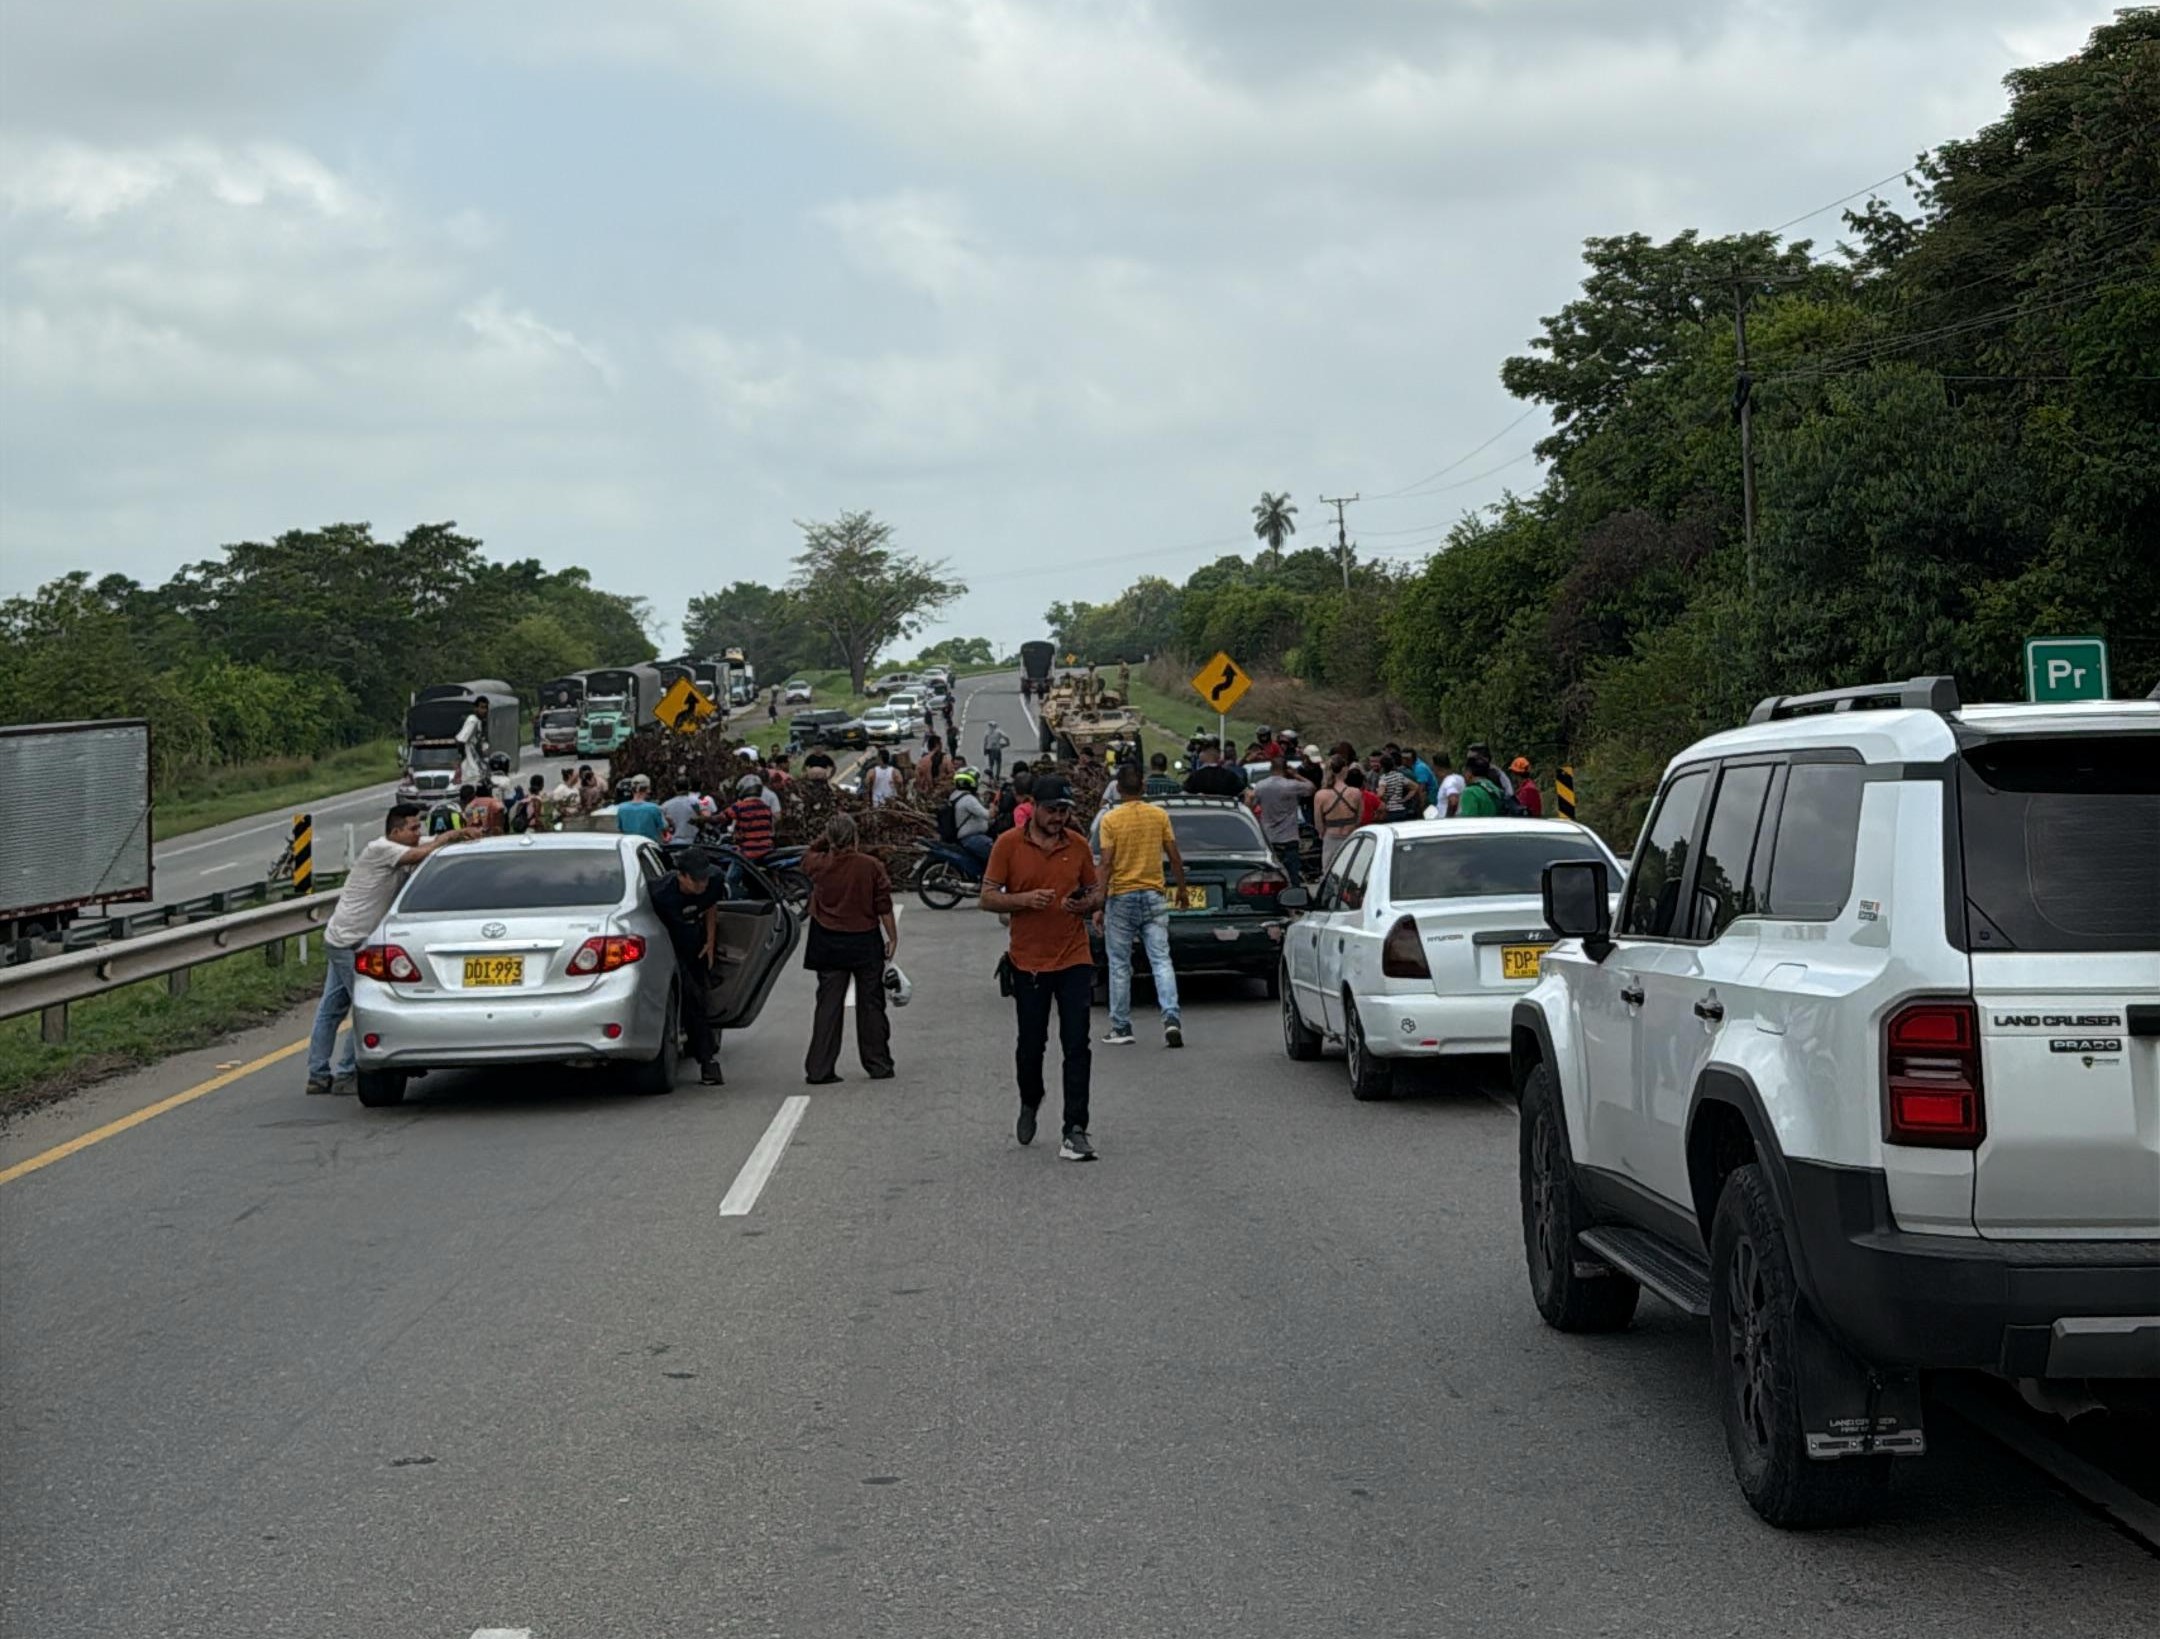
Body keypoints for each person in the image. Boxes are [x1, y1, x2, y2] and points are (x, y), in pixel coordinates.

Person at [306, 803, 477, 1093]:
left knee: (332, 1008)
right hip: (350, 940)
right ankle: (347, 1073)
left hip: (346, 937)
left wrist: (463, 835)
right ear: (395, 832)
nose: (418, 833)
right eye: (413, 828)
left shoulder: (401, 845)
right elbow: (421, 853)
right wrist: (450, 836)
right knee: (364, 1007)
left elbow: (428, 845)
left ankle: (318, 1074)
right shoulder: (381, 849)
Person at [980, 775, 1103, 1161]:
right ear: (1033, 806)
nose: (1058, 818)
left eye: (1064, 811)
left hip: (1073, 957)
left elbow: (1096, 892)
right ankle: (1030, 1099)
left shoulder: (1077, 845)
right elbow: (987, 897)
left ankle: (1075, 1128)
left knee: (1077, 1044)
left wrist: (1086, 904)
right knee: (1031, 1046)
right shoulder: (1008, 844)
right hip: (1028, 961)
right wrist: (1024, 900)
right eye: (1052, 810)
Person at [1095, 760, 1187, 1048]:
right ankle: (1171, 1017)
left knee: (1120, 965)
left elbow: (1106, 863)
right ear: (1144, 787)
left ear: (1118, 789)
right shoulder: (1158, 815)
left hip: (1121, 897)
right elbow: (1174, 856)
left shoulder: (1110, 820)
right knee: (1161, 959)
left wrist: (1098, 902)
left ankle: (1121, 1026)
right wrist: (1182, 890)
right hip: (1154, 895)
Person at [801, 814, 898, 1085]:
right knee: (871, 1004)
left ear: (829, 839)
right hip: (864, 940)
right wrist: (892, 937)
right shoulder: (870, 866)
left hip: (826, 940)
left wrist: (826, 839)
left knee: (828, 1005)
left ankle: (819, 1069)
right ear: (855, 838)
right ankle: (878, 1063)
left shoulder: (818, 864)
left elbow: (808, 854)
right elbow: (883, 905)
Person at [648, 847, 728, 1085]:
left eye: (705, 878)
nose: (703, 884)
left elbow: (711, 905)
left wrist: (711, 941)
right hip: (669, 950)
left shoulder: (714, 879)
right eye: (697, 880)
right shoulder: (660, 894)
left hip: (696, 945)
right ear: (681, 876)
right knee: (691, 998)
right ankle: (707, 1062)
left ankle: (700, 1047)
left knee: (701, 999)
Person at [1250, 757, 1310, 884]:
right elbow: (1311, 788)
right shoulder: (1291, 785)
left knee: (1270, 876)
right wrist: (1296, 775)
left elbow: (1251, 806)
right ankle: (1295, 893)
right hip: (1289, 837)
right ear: (1285, 769)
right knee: (1293, 875)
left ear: (1271, 769)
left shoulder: (1261, 786)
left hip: (1269, 838)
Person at [1314, 759, 1362, 874]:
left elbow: (1319, 824)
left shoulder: (1321, 795)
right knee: (1352, 872)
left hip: (1331, 838)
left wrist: (1322, 833)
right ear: (1345, 770)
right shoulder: (1356, 793)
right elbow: (1359, 819)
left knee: (1329, 872)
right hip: (1351, 837)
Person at [723, 773, 776, 865]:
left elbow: (721, 817)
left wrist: (703, 819)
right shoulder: (766, 808)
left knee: (732, 873)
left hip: (748, 851)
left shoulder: (739, 807)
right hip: (767, 850)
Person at [948, 769, 994, 868]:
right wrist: (993, 806)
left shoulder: (955, 795)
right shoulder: (968, 799)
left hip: (965, 838)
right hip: (972, 838)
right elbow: (988, 815)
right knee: (996, 853)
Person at [615, 775, 666, 841]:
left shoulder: (622, 808)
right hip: (648, 845)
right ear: (648, 789)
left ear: (632, 789)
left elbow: (620, 828)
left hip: (629, 845)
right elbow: (664, 827)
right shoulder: (654, 808)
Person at [1459, 752, 1507, 817]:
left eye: (1464, 772)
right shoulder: (1494, 788)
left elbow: (1468, 820)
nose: (1463, 776)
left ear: (1469, 772)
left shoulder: (1470, 792)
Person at [1377, 752, 1420, 822]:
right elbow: (1415, 787)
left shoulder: (1383, 778)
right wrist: (1404, 799)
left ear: (1382, 767)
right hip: (1401, 810)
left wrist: (1380, 795)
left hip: (1390, 811)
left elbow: (1380, 794)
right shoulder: (1399, 776)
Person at [1433, 751, 1467, 818]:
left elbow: (1453, 802)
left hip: (1450, 822)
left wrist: (1448, 819)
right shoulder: (1459, 778)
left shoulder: (1449, 781)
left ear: (1437, 768)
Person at [1407, 746, 1439, 812]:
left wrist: (1421, 805)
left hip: (1430, 798)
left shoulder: (1419, 768)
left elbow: (1422, 788)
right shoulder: (1416, 764)